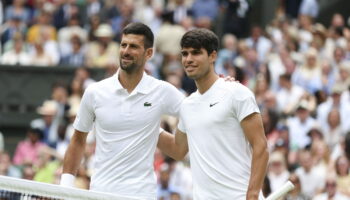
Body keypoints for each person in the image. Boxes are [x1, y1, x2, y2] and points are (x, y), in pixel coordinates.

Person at [60, 22, 184, 200]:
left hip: (142, 194)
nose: (126, 51)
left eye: (133, 46)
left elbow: (196, 112)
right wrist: (65, 186)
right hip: (100, 192)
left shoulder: (162, 91)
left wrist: (220, 87)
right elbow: (78, 140)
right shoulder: (95, 92)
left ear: (148, 53)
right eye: (123, 45)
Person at [173, 28, 269, 199]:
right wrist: (147, 127)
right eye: (185, 54)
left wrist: (253, 194)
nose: (188, 59)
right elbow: (177, 149)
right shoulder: (187, 105)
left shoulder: (237, 93)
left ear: (213, 56)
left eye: (196, 53)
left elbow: (260, 146)